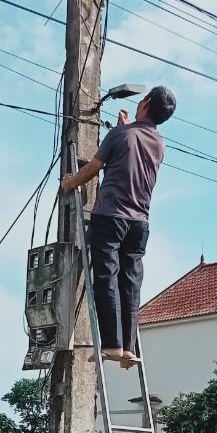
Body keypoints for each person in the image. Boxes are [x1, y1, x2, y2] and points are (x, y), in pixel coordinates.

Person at [59, 85, 177, 367]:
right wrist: (127, 128)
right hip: (140, 223)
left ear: (146, 103)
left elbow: (92, 168)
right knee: (131, 282)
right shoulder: (159, 143)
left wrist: (68, 183)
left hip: (111, 216)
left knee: (106, 277)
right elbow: (134, 145)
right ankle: (127, 347)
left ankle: (112, 344)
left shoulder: (120, 135)